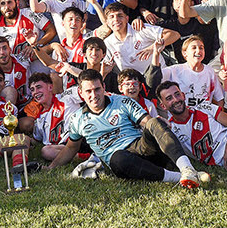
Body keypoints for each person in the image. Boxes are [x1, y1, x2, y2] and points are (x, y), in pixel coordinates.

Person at [48, 70, 209, 186]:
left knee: (155, 121)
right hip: (121, 161)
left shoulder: (122, 101)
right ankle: (179, 177)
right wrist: (50, 168)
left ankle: (187, 169)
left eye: (97, 89)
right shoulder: (77, 119)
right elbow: (70, 148)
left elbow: (147, 121)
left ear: (103, 87)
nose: (94, 95)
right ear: (80, 93)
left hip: (142, 148)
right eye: (88, 91)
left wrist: (158, 125)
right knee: (118, 159)